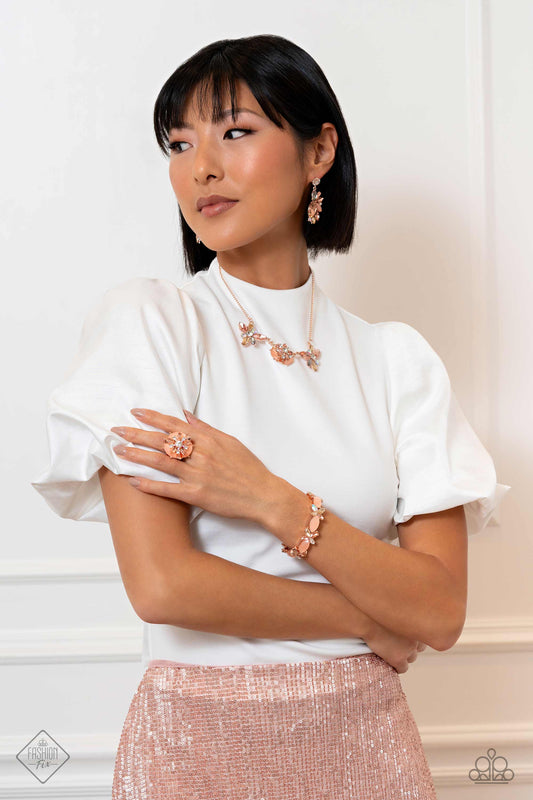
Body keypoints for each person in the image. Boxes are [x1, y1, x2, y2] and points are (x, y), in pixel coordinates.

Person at [31, 34, 510, 800]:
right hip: (197, 744)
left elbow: (439, 610)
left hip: (367, 746)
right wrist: (368, 620)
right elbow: (163, 586)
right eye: (179, 143)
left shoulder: (395, 361)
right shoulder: (152, 324)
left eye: (235, 131)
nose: (200, 167)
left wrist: (269, 498)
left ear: (318, 151)